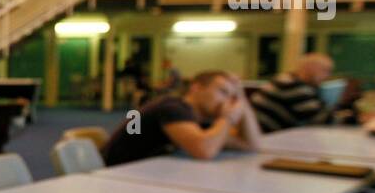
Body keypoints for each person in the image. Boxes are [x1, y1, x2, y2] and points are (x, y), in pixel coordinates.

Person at [102, 69, 262, 166]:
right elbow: (204, 151)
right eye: (222, 92)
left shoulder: (203, 121)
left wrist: (242, 99)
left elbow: (250, 145)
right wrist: (228, 118)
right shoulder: (173, 107)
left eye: (231, 96)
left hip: (145, 179)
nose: (226, 101)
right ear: (196, 88)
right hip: (116, 181)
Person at [250, 52, 336, 132]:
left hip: (261, 136)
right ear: (312, 69)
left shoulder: (286, 79)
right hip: (266, 140)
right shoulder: (294, 88)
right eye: (325, 71)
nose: (328, 76)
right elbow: (324, 121)